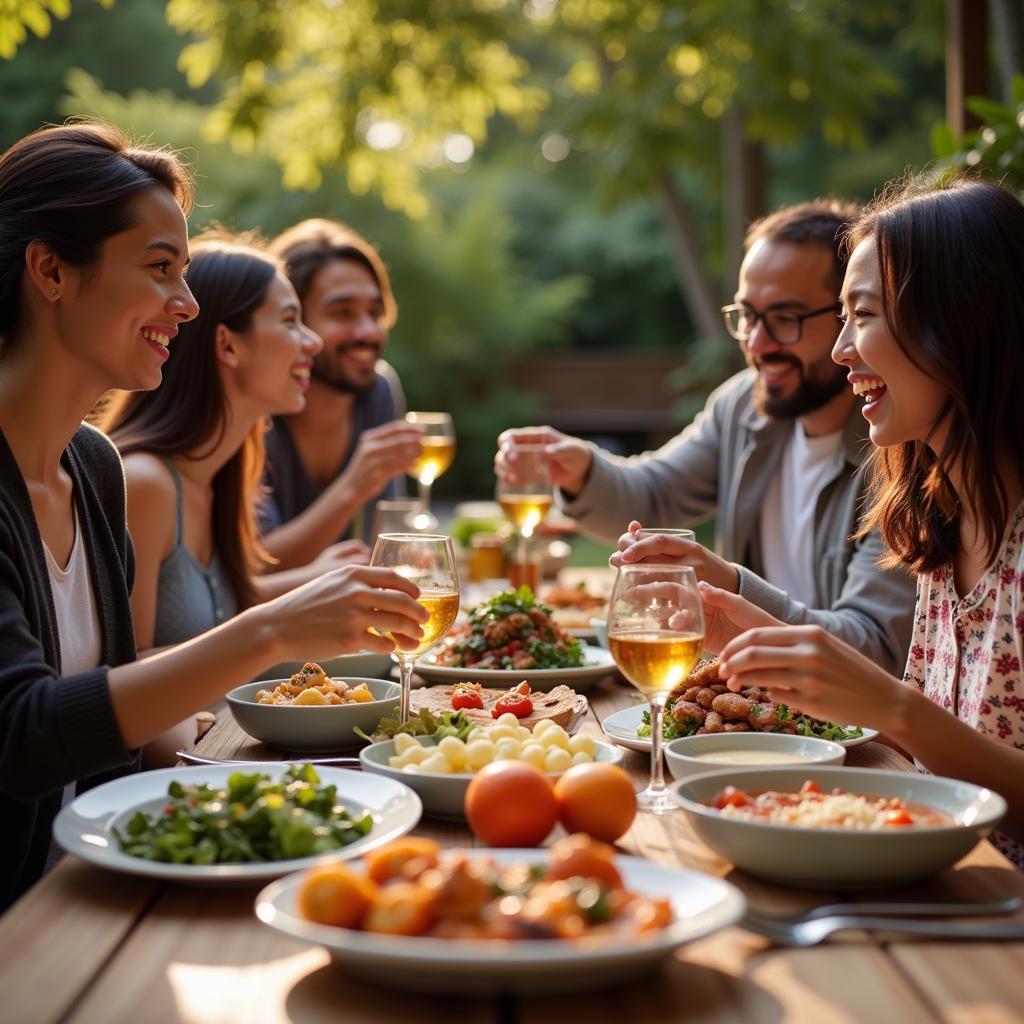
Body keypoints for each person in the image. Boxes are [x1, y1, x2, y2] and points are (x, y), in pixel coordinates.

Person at [0, 123, 427, 910]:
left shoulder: (91, 469)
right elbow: (20, 736)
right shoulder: (129, 473)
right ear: (50, 270)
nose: (188, 305)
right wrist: (270, 628)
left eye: (186, 272)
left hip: (101, 881)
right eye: (160, 268)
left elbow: (113, 713)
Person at [704, 178, 1024, 863]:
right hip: (936, 885)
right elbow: (947, 758)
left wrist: (892, 707)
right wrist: (757, 632)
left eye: (865, 316)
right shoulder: (937, 515)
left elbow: (922, 730)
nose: (842, 350)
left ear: (959, 323)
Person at [497, 199, 916, 674]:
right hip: (753, 700)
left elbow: (875, 648)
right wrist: (581, 471)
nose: (757, 345)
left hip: (846, 734)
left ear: (847, 315)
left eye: (784, 318)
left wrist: (731, 588)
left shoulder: (901, 443)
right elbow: (654, 498)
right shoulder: (744, 405)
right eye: (747, 316)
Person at [260, 219, 424, 569]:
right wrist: (353, 486)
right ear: (292, 322)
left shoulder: (379, 390)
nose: (367, 331)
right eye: (342, 313)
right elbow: (258, 565)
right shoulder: (256, 407)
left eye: (375, 312)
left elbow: (387, 543)